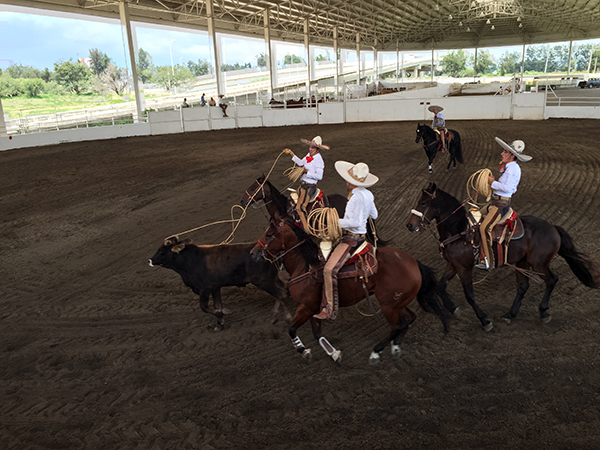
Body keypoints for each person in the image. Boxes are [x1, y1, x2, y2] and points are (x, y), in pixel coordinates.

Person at [315, 161, 379, 320]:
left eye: (347, 179)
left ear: (352, 182)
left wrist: (335, 221)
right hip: (362, 238)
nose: (346, 181)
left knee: (329, 269)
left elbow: (355, 223)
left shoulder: (355, 198)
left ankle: (330, 309)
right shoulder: (368, 195)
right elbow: (375, 215)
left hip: (351, 239)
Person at [476, 137, 532, 270]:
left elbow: (507, 188)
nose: (502, 153)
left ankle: (488, 260)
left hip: (501, 205)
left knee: (484, 227)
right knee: (474, 215)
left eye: (505, 152)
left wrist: (492, 183)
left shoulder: (513, 169)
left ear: (512, 155)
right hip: (496, 201)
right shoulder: (509, 167)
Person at [282, 136, 329, 230]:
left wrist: (307, 172)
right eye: (310, 147)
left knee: (301, 207)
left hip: (309, 186)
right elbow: (300, 163)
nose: (310, 149)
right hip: (303, 184)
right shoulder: (308, 155)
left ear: (317, 150)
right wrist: (291, 154)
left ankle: (306, 229)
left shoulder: (319, 161)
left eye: (312, 148)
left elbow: (319, 176)